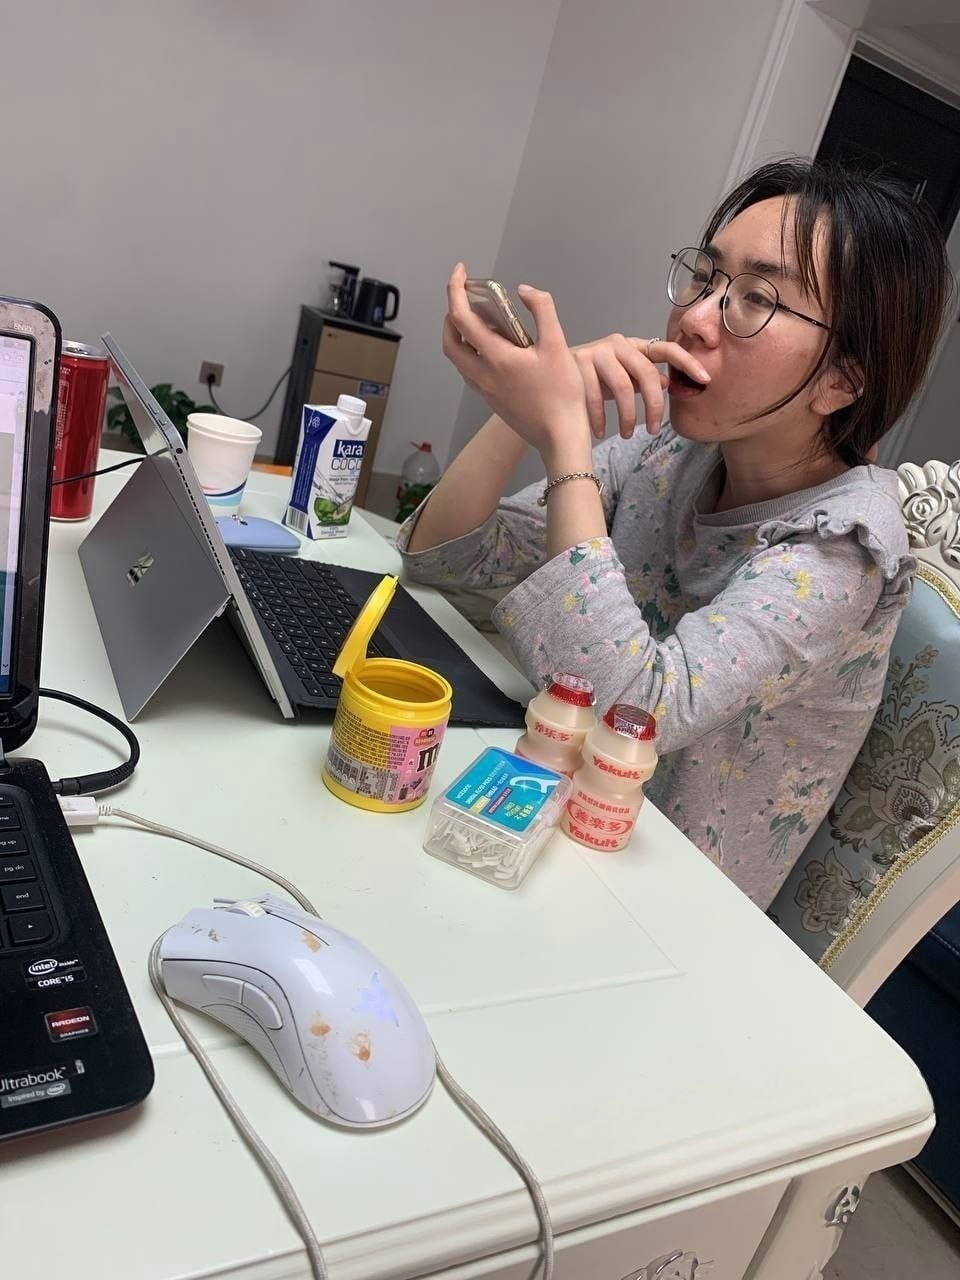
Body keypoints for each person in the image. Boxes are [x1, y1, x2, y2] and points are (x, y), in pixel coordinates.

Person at [399, 158, 953, 908]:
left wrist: (563, 434)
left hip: (662, 910)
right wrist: (534, 408)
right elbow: (447, 560)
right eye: (706, 278)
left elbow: (627, 710)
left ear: (841, 381)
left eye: (757, 299)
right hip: (546, 827)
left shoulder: (843, 548)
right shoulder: (672, 447)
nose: (696, 317)